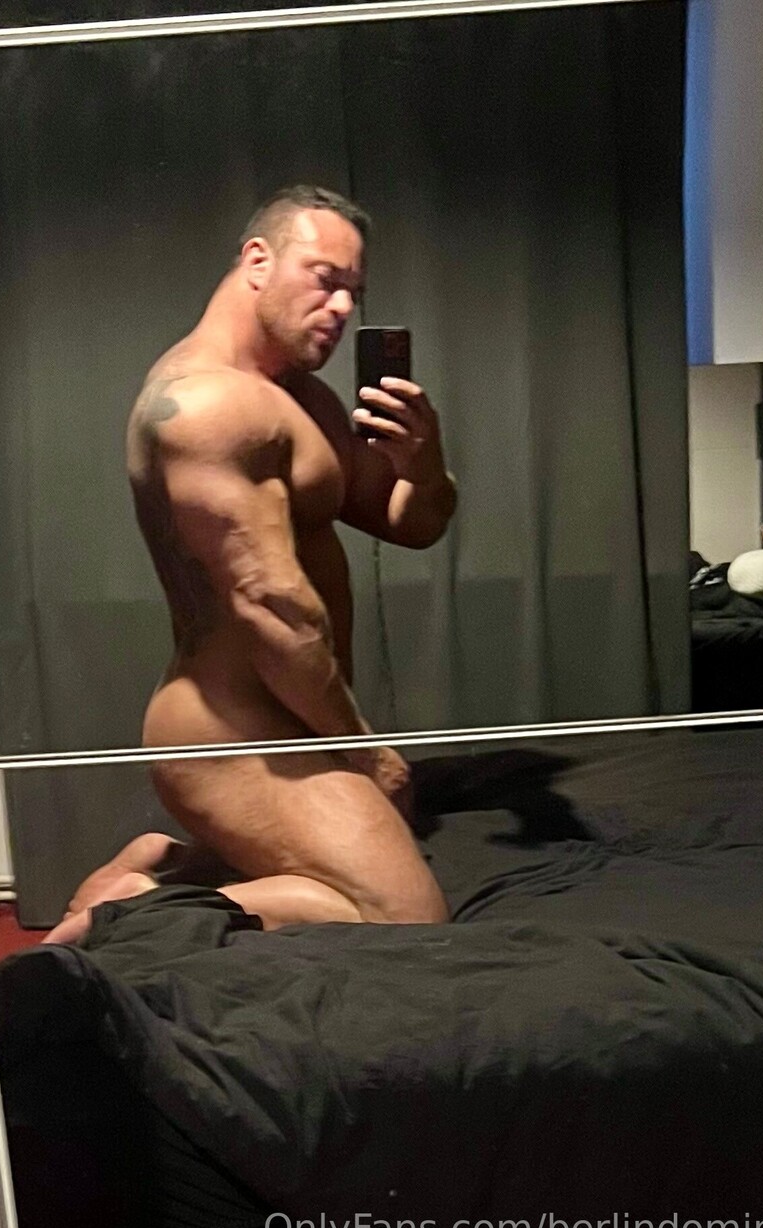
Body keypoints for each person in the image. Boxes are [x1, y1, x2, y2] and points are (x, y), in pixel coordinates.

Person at [47, 186, 457, 944]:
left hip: (293, 712)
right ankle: (135, 909)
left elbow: (412, 524)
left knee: (368, 884)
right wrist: (365, 753)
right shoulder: (207, 406)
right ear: (258, 261)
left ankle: (171, 870)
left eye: (354, 291)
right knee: (404, 917)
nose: (342, 307)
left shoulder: (302, 400)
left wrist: (423, 465)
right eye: (325, 279)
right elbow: (272, 608)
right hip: (230, 729)